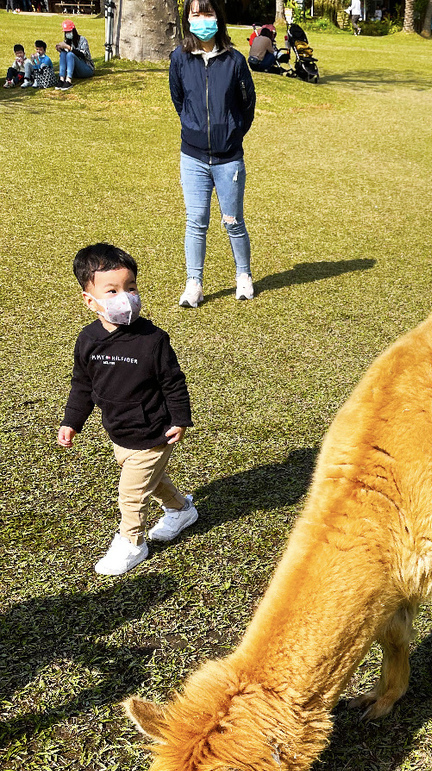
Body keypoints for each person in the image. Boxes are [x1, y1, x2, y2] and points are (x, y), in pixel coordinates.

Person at [57, 244, 198, 576]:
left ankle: (131, 543)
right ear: (90, 300)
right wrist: (71, 421)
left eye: (131, 288)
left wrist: (179, 418)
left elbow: (173, 382)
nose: (126, 297)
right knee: (150, 480)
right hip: (119, 430)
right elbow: (82, 385)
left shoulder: (152, 339)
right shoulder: (88, 340)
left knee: (131, 492)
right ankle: (181, 510)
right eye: (113, 290)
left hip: (154, 432)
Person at [169, 0, 256, 307]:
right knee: (196, 221)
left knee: (233, 221)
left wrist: (230, 133)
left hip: (228, 157)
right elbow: (179, 101)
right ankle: (194, 283)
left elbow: (247, 105)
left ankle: (243, 276)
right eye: (196, 14)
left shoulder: (234, 60)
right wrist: (196, 130)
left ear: (219, 17)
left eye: (208, 13)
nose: (202, 19)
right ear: (187, 18)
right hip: (192, 157)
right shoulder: (179, 59)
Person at [54, 20, 94, 91]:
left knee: (70, 55)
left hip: (86, 69)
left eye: (69, 32)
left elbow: (83, 55)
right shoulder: (68, 41)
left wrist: (69, 48)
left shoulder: (82, 40)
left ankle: (68, 80)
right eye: (66, 32)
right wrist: (60, 49)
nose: (67, 34)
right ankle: (61, 79)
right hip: (74, 71)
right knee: (63, 54)